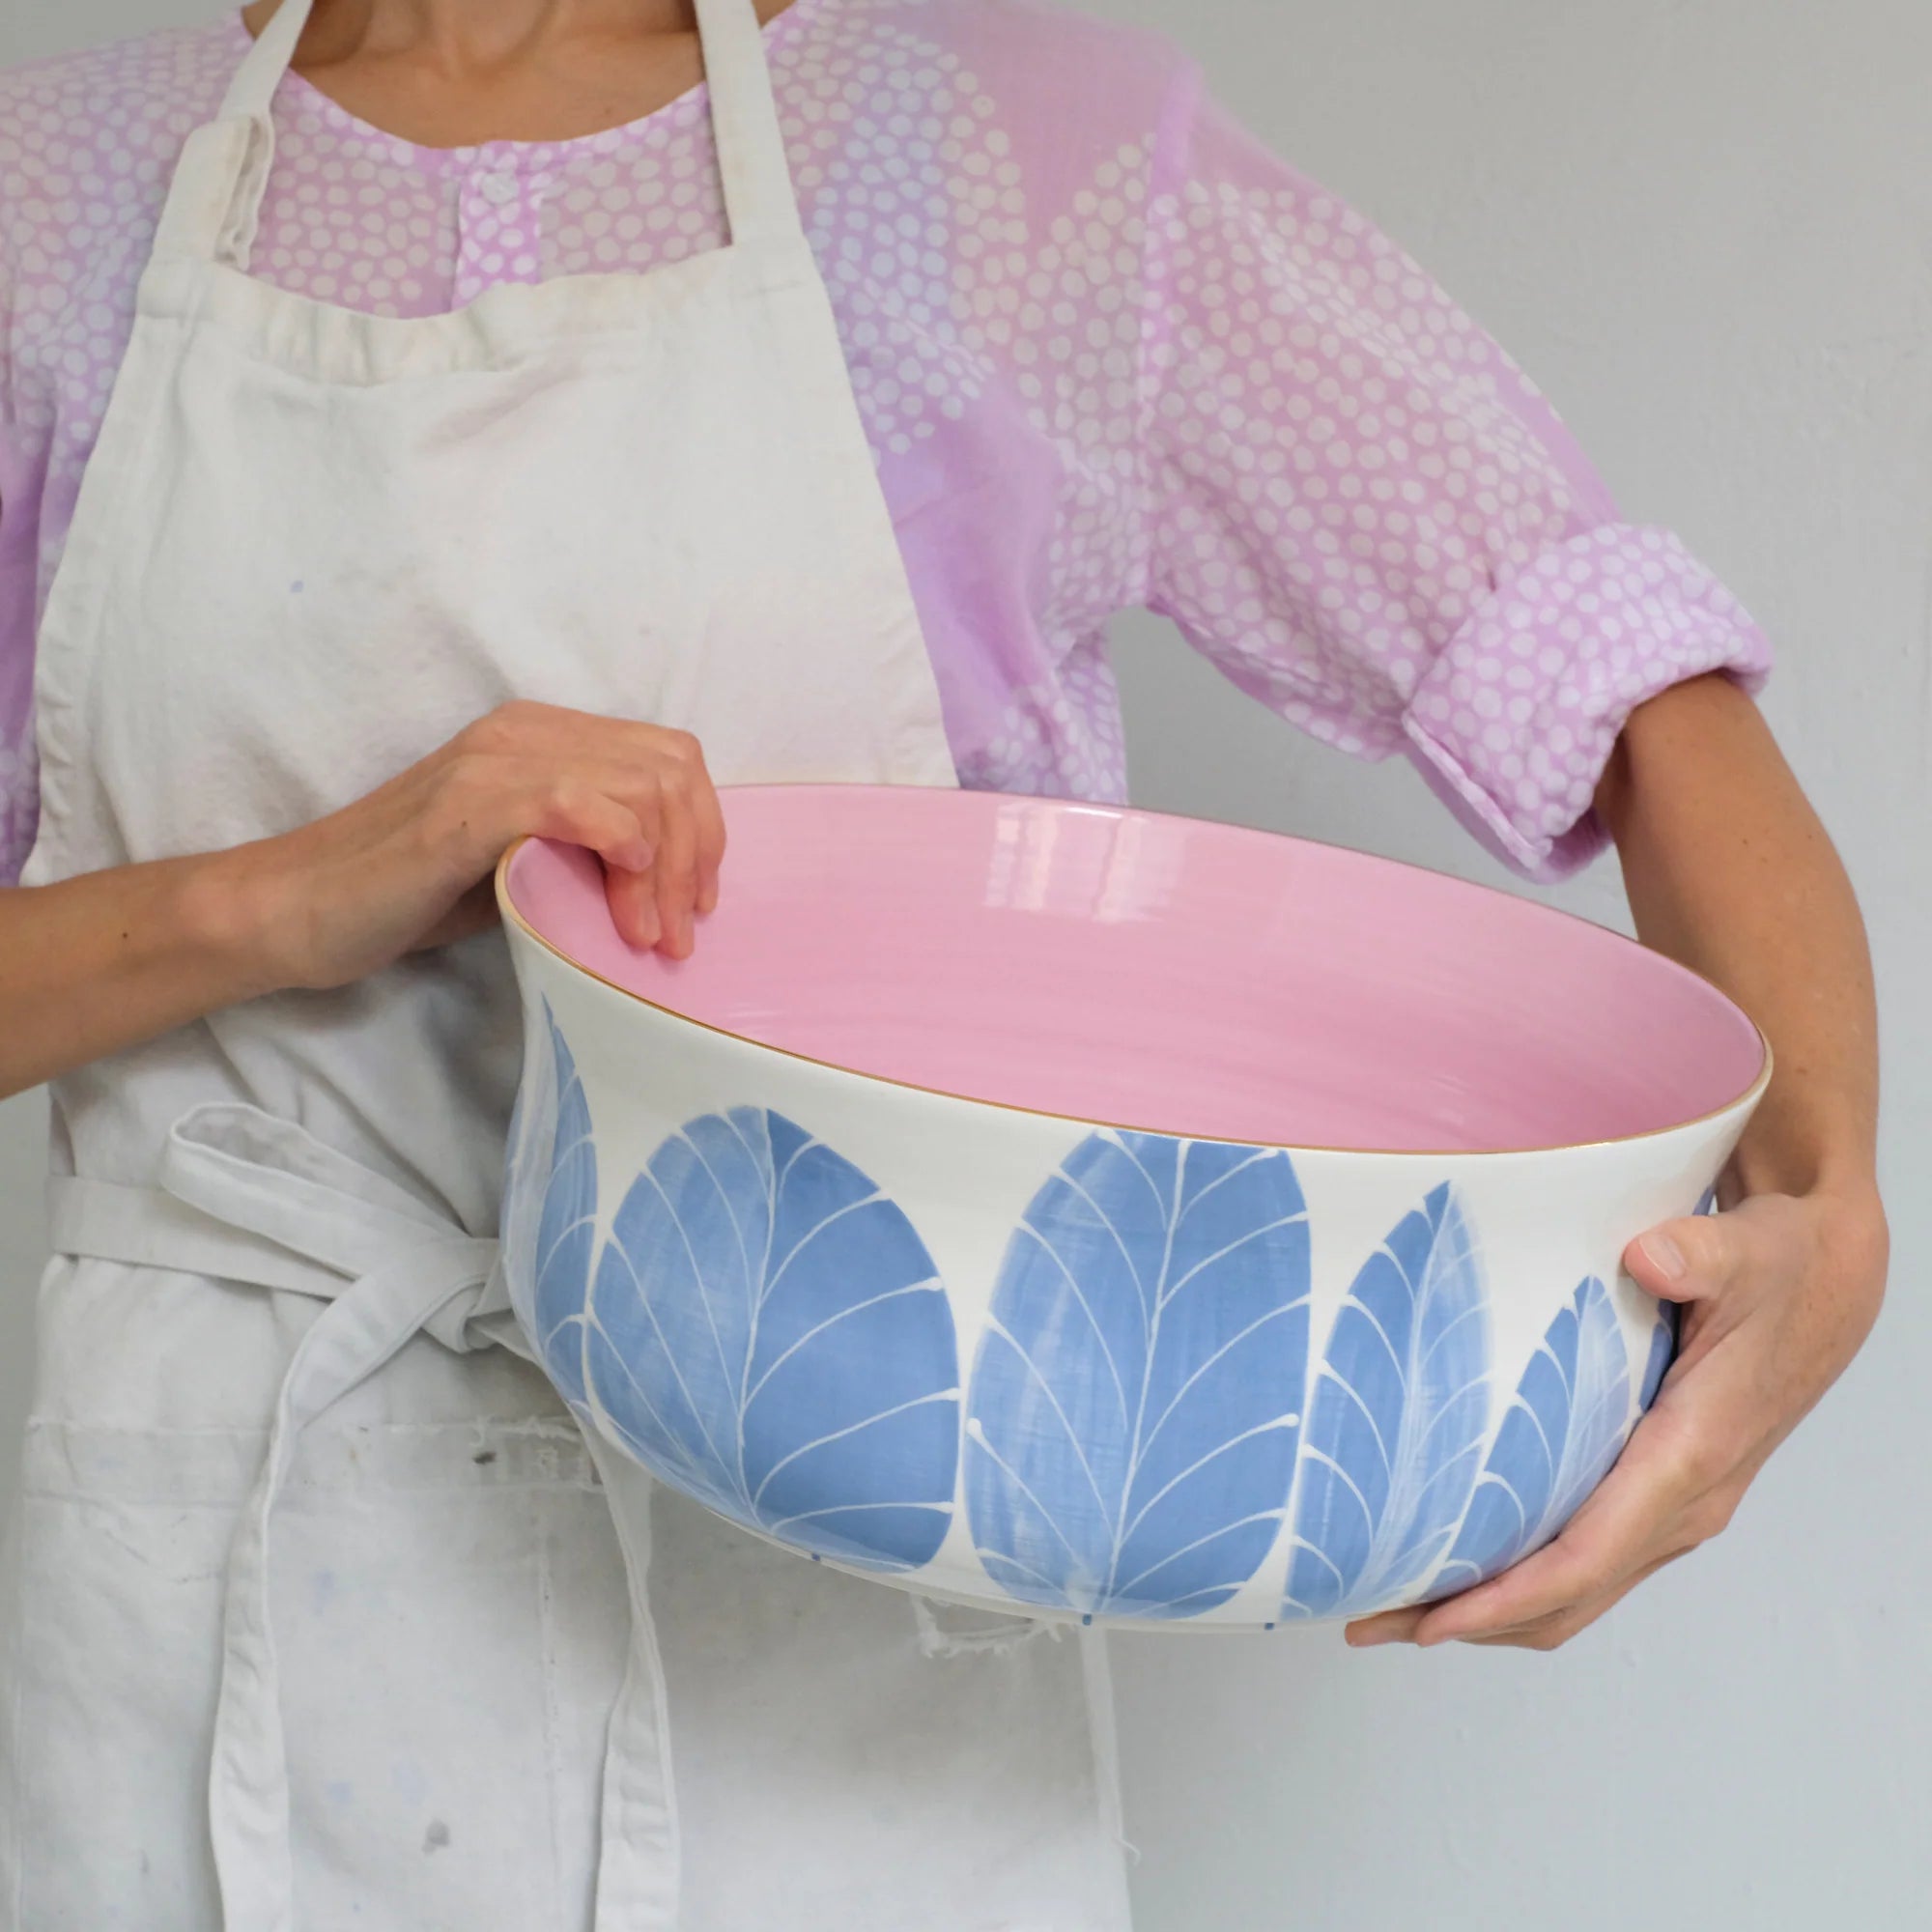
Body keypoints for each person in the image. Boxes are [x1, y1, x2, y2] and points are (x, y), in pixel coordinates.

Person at [0, 0, 1888, 1924]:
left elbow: (1621, 675)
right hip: (213, 1604)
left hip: (840, 1637)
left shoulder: (1007, 161)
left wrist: (1823, 1212)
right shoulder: (51, 200)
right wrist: (281, 897)